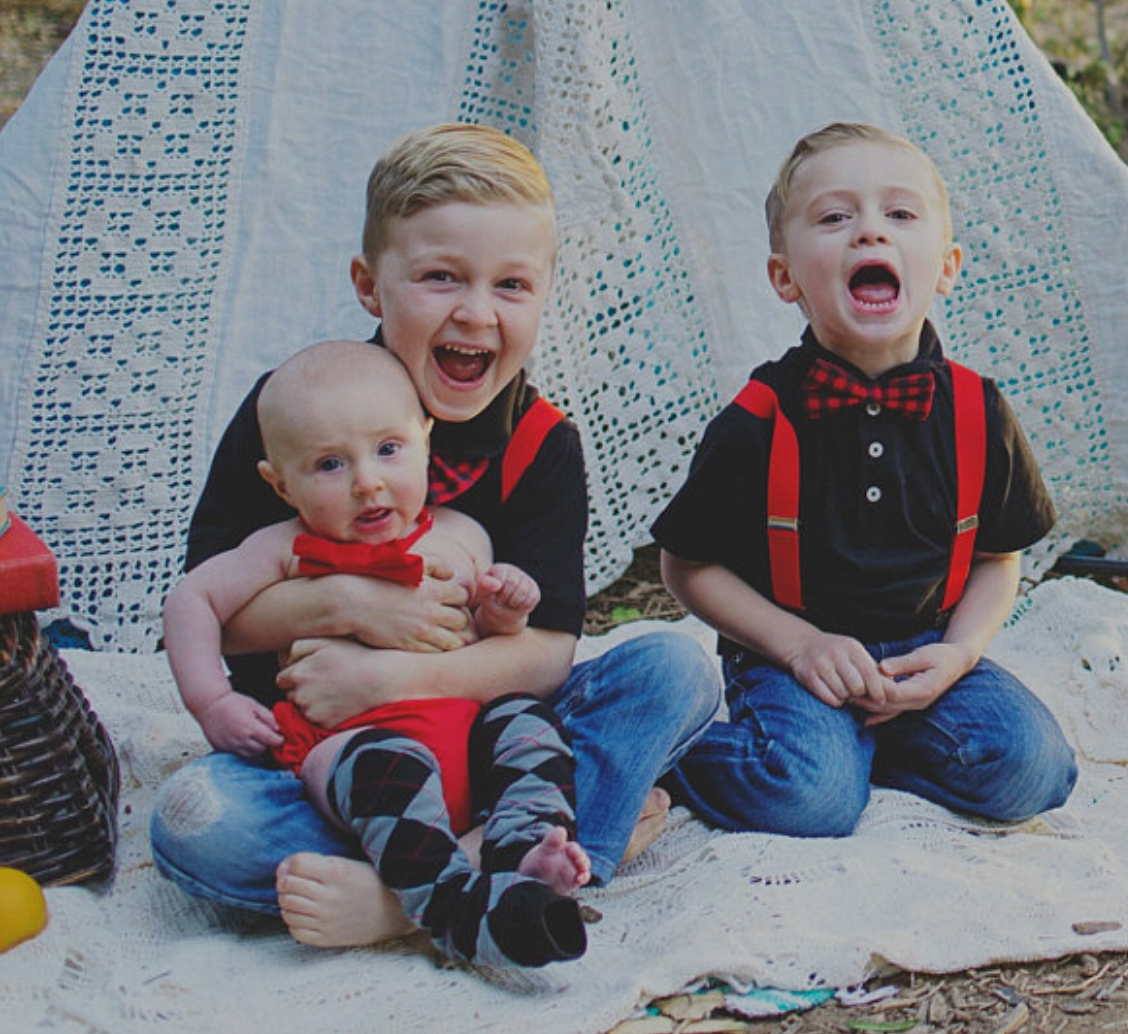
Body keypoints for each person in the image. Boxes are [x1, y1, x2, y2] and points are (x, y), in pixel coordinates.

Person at [151, 123, 720, 946]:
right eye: (441, 277)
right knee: (201, 821)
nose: (476, 312)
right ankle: (529, 860)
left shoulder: (543, 444)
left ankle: (405, 898)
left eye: (511, 285)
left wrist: (384, 677)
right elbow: (213, 606)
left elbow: (546, 654)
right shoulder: (296, 410)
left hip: (491, 746)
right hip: (338, 765)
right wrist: (348, 601)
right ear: (369, 284)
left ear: (544, 292)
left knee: (675, 668)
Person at [652, 122, 1077, 836]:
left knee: (1034, 768)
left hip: (923, 652)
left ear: (945, 265)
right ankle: (664, 754)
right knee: (809, 799)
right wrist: (797, 645)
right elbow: (685, 566)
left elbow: (997, 556)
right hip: (792, 660)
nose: (868, 234)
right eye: (834, 217)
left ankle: (867, 748)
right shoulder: (758, 420)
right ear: (783, 275)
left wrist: (958, 653)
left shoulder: (978, 409)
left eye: (899, 214)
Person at [163, 341, 590, 967]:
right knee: (201, 818)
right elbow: (191, 600)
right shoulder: (286, 547)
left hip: (465, 740)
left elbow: (494, 637)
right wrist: (212, 701)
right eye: (330, 466)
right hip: (356, 750)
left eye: (389, 451)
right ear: (280, 484)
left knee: (531, 722)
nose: (368, 482)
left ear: (425, 442)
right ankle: (459, 910)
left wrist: (505, 608)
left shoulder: (460, 535)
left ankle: (522, 845)